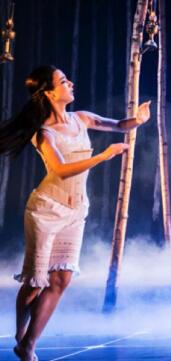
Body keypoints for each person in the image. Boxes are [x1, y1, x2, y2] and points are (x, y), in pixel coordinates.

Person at [0, 65, 151, 361]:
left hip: (75, 210)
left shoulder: (80, 118)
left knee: (62, 279)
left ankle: (28, 345)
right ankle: (20, 331)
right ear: (48, 92)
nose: (71, 83)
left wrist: (139, 120)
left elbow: (120, 124)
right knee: (34, 284)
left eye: (68, 79)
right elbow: (60, 170)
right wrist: (103, 156)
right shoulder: (44, 132)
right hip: (46, 211)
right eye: (63, 81)